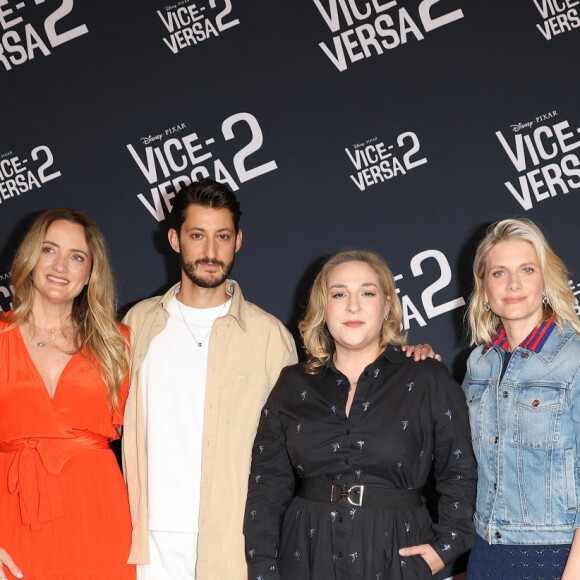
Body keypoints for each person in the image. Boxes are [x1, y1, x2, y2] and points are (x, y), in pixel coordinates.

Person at [121, 179, 438, 580]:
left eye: (222, 236)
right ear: (174, 238)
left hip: (232, 543)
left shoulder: (270, 337)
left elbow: (298, 447)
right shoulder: (137, 324)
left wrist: (409, 353)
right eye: (196, 235)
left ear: (238, 240)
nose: (210, 251)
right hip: (148, 541)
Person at [244, 249, 477, 579]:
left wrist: (445, 549)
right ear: (322, 309)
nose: (353, 306)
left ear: (387, 306)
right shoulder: (293, 385)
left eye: (367, 292)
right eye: (339, 294)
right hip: (305, 557)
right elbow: (267, 486)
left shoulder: (427, 379)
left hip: (397, 555)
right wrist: (263, 567)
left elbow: (461, 472)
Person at [0, 209, 135, 580]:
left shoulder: (117, 343)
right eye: (49, 249)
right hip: (11, 518)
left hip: (98, 520)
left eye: (77, 257)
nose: (61, 265)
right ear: (30, 256)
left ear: (90, 273)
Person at [463, 218, 580, 579]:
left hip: (558, 557)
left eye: (526, 270)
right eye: (499, 273)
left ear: (545, 281)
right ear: (484, 289)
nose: (513, 283)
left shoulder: (574, 360)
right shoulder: (478, 364)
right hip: (486, 555)